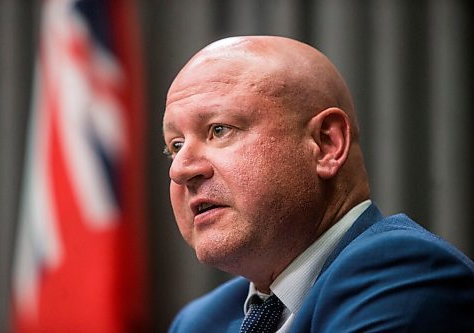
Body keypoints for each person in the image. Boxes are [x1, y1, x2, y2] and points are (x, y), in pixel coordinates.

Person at [162, 35, 474, 332]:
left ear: (327, 144)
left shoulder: (405, 275)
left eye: (219, 130)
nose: (180, 169)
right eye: (175, 145)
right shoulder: (200, 322)